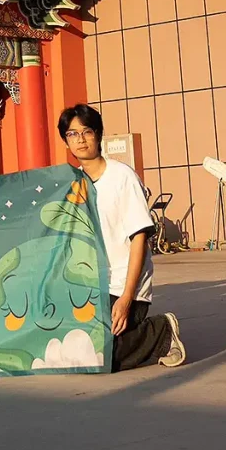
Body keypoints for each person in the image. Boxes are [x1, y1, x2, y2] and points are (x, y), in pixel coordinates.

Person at [57, 103, 186, 370]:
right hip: (91, 284)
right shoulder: (73, 184)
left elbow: (139, 238)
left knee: (102, 355)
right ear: (66, 141)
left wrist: (127, 297)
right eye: (72, 134)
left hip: (124, 286)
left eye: (87, 132)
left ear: (98, 135)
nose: (80, 139)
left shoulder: (122, 177)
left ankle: (161, 331)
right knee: (71, 347)